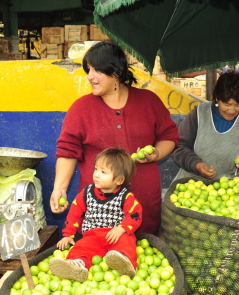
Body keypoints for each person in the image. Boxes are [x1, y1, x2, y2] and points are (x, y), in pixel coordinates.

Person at [50, 41, 179, 235]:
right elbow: (68, 151)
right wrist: (59, 188)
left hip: (141, 205)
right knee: (95, 258)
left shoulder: (148, 102)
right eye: (88, 70)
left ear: (117, 72)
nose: (89, 77)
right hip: (97, 210)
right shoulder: (81, 109)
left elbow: (169, 135)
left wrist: (157, 153)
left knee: (142, 258)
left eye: (97, 71)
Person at [49, 147, 142, 282]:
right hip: (93, 236)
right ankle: (77, 265)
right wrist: (68, 235)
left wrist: (121, 228)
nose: (97, 174)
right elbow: (74, 213)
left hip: (115, 235)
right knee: (82, 246)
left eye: (103, 172)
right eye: (96, 169)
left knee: (127, 241)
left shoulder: (126, 196)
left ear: (119, 180)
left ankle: (124, 262)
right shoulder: (87, 193)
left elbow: (135, 215)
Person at [172, 73, 239, 182]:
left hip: (232, 189)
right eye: (227, 104)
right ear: (217, 98)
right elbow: (178, 146)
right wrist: (196, 164)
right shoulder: (199, 115)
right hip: (193, 185)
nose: (232, 110)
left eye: (238, 105)